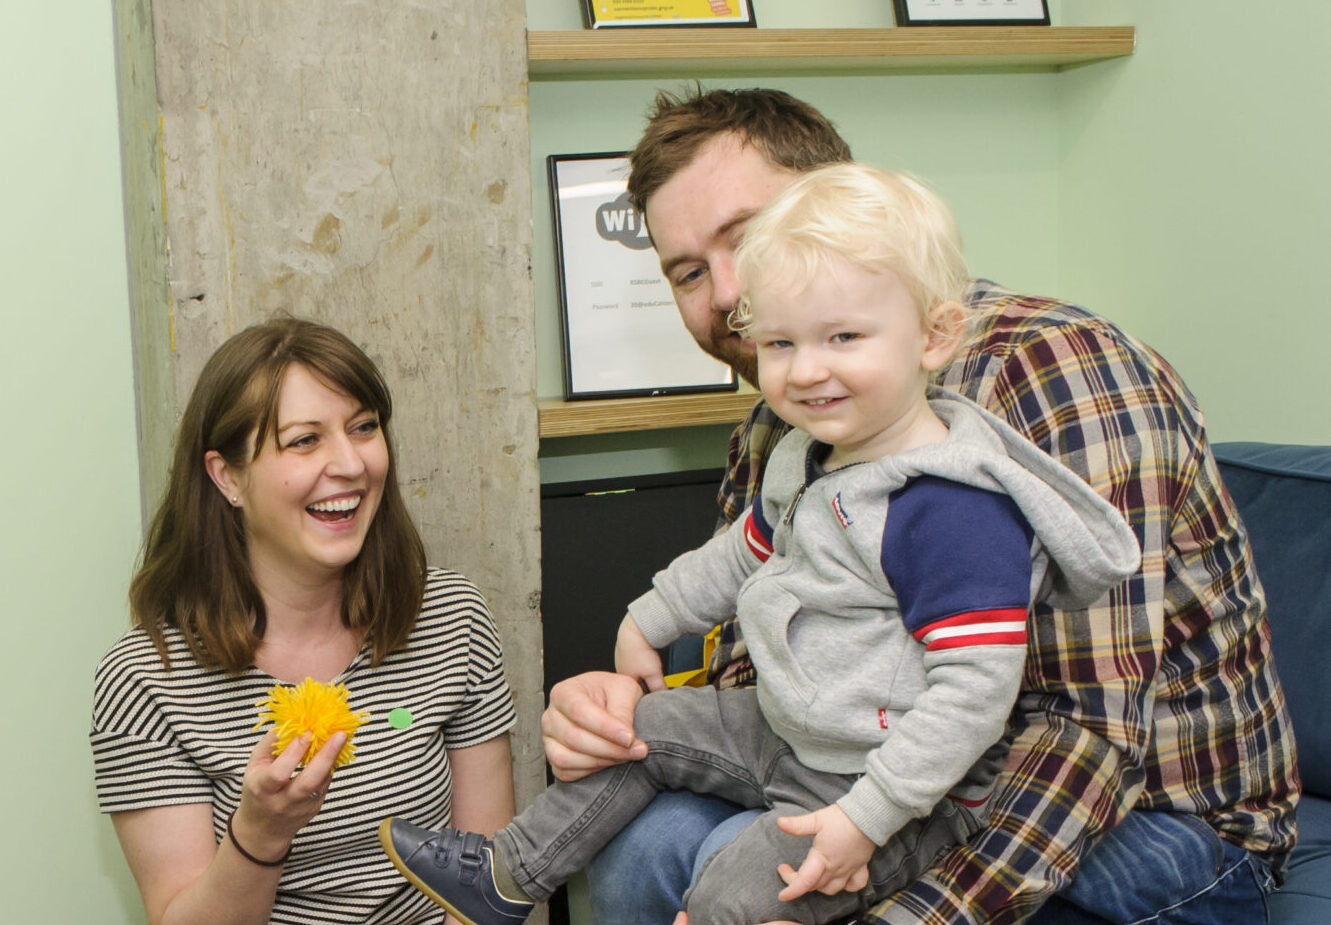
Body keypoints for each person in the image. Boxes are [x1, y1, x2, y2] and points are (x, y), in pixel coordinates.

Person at [540, 87, 1300, 925]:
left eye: (747, 236)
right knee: (645, 839)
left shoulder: (1056, 369)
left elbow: (1089, 736)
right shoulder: (787, 420)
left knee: (730, 872)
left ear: (841, 203)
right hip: (887, 779)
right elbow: (774, 664)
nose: (726, 294)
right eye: (687, 271)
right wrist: (624, 718)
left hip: (1148, 820)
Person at [379, 163, 1140, 925]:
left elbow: (973, 695)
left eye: (842, 336)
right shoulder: (806, 452)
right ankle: (505, 876)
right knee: (631, 735)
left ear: (933, 336)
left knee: (730, 897)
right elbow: (742, 553)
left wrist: (866, 819)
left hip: (890, 790)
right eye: (779, 341)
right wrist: (646, 619)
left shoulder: (946, 508)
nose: (806, 370)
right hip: (786, 728)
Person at [90, 318, 518, 925]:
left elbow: (487, 878)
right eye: (304, 440)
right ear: (227, 477)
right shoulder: (145, 681)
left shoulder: (453, 619)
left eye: (364, 427)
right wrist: (260, 834)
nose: (350, 463)